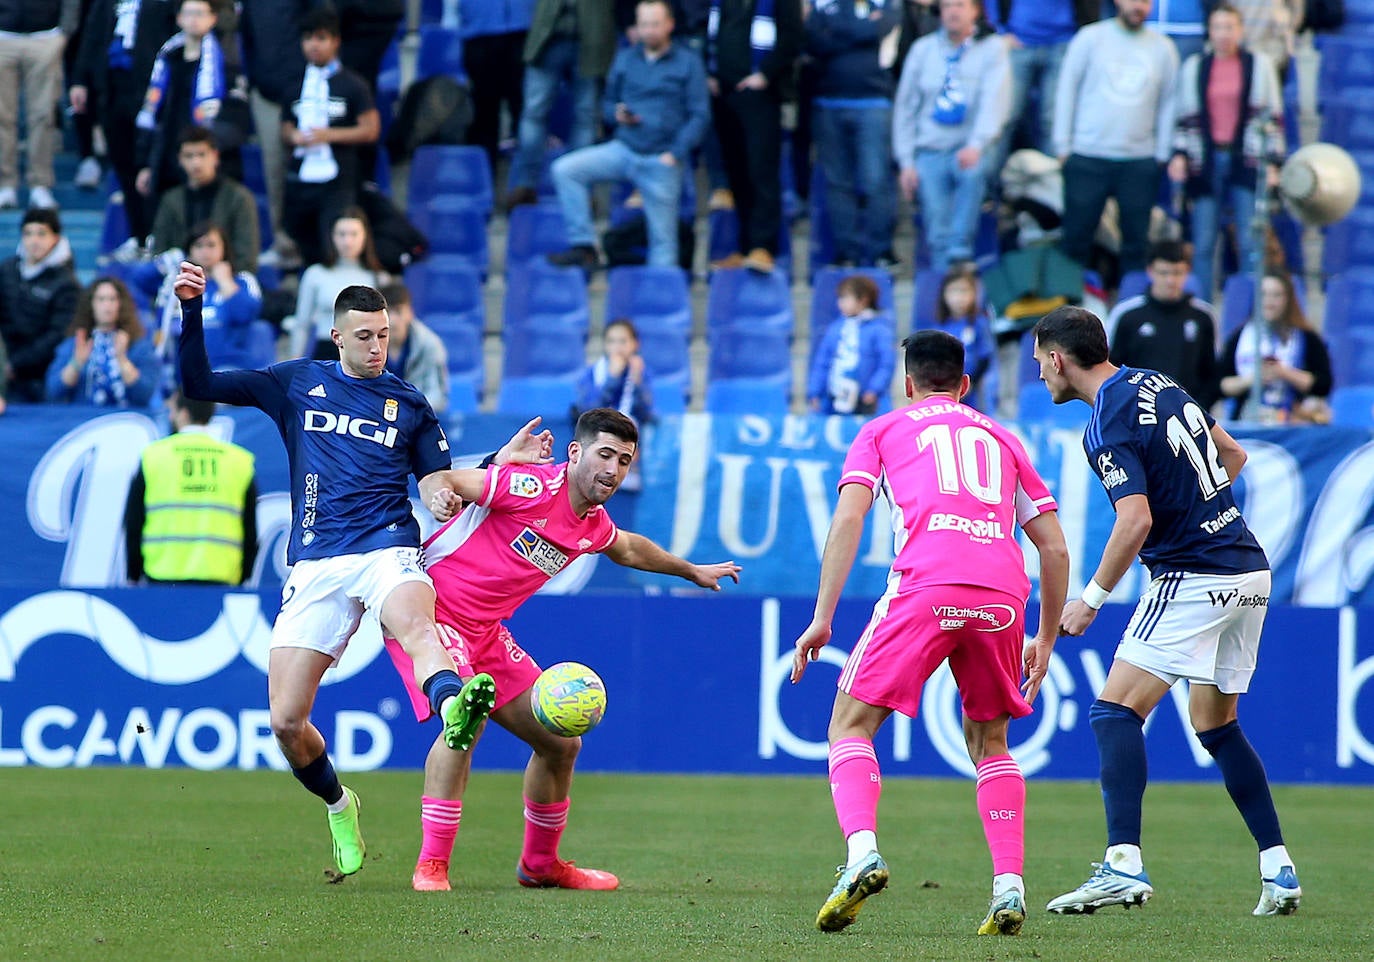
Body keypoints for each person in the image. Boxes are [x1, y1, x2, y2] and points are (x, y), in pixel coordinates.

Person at [172, 264, 522, 879]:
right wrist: (193, 310)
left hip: (388, 546)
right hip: (318, 562)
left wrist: (479, 474)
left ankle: (453, 705)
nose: (377, 346)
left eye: (384, 335)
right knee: (285, 720)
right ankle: (340, 804)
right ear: (337, 337)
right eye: (364, 336)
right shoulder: (294, 382)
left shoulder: (409, 403)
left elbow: (438, 480)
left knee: (417, 625)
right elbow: (198, 382)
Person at [385, 407, 741, 892]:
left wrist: (691, 570)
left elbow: (629, 549)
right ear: (575, 453)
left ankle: (540, 865)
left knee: (561, 743)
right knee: (464, 723)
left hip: (487, 633)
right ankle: (432, 865)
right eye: (605, 454)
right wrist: (444, 494)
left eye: (624, 460)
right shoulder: (529, 487)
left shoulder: (592, 523)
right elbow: (448, 479)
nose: (613, 470)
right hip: (432, 613)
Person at [792, 329, 1069, 935]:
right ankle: (1008, 887)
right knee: (991, 744)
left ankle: (861, 855)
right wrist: (1044, 637)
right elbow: (1053, 547)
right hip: (1002, 594)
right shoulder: (1004, 437)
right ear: (965, 386)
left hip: (927, 583)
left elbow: (850, 515)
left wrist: (822, 617)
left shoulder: (883, 430)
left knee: (850, 724)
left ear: (908, 384)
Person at [1030, 304, 1301, 917]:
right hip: (1247, 569)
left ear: (1058, 357)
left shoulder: (1104, 421)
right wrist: (1203, 515)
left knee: (1113, 711)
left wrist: (1090, 600)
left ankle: (1121, 863)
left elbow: (1136, 518)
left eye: (1039, 362)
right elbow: (1232, 455)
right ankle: (1277, 868)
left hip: (1194, 573)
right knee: (1215, 724)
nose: (1040, 376)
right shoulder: (1158, 382)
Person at [547, 0, 709, 273]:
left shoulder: (688, 63)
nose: (648, 31)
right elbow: (608, 104)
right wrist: (617, 114)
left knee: (664, 247)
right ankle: (584, 245)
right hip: (624, 148)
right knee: (565, 169)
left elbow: (700, 115)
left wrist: (675, 153)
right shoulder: (625, 59)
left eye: (655, 24)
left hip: (662, 158)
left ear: (669, 25)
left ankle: (657, 305)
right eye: (643, 24)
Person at [1167, 3, 1285, 301]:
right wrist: (1180, 154)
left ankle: (1247, 306)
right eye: (1218, 27)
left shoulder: (1259, 65)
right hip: (1205, 160)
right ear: (1210, 30)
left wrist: (1273, 162)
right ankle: (1205, 306)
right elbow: (1184, 115)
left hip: (1247, 159)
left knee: (1250, 240)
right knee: (1204, 241)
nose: (1223, 34)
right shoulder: (1195, 66)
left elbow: (1273, 115)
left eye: (1229, 27)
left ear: (1240, 30)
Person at [1053, 0, 1178, 278]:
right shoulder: (1090, 38)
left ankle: (1128, 308)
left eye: (1146, 2)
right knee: (1075, 240)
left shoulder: (1163, 48)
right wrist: (1063, 145)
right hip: (1087, 155)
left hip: (1138, 159)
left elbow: (1169, 102)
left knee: (1136, 244)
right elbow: (1066, 90)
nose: (1139, 7)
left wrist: (1161, 152)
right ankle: (1066, 313)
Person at [893, 0, 1011, 273]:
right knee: (936, 229)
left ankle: (961, 259)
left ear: (975, 11)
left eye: (960, 4)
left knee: (972, 171)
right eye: (946, 6)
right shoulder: (922, 50)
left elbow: (995, 103)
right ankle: (942, 283)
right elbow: (905, 108)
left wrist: (976, 144)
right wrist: (906, 161)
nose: (953, 11)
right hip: (929, 147)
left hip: (970, 148)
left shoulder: (992, 48)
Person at [705, 0, 804, 275]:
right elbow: (712, 32)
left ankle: (763, 247)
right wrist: (710, 72)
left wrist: (765, 74)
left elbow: (792, 36)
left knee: (761, 171)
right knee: (737, 173)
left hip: (762, 94)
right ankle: (745, 244)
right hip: (724, 93)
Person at [71, 0, 180, 249]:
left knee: (151, 166)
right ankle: (138, 237)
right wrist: (79, 79)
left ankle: (158, 237)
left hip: (153, 90)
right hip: (112, 90)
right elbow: (93, 33)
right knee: (123, 167)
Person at [124, 389, 258, 585]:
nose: (170, 416)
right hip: (220, 579)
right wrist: (244, 575)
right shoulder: (239, 461)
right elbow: (250, 528)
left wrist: (134, 574)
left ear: (184, 413)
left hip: (162, 578)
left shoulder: (153, 456)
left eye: (172, 411)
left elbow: (134, 521)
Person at [805, 0, 901, 269]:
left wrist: (836, 33)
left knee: (876, 180)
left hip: (873, 103)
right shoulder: (823, 3)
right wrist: (862, 31)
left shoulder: (887, 3)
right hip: (828, 102)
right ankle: (846, 253)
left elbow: (883, 29)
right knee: (838, 183)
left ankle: (882, 251)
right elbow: (812, 41)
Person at [281, 8, 379, 269]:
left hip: (339, 181)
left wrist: (329, 135)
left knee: (334, 246)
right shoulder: (294, 84)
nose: (314, 45)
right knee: (302, 243)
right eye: (309, 38)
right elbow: (285, 127)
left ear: (335, 41)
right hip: (301, 179)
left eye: (321, 38)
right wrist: (294, 135)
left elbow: (370, 129)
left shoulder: (352, 84)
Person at [135, 0, 251, 214]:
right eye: (189, 13)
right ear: (179, 18)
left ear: (213, 18)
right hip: (169, 160)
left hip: (212, 161)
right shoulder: (167, 59)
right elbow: (153, 115)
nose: (194, 19)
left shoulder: (227, 62)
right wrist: (146, 163)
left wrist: (206, 147)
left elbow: (237, 118)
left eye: (200, 13)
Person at [503, 0, 617, 210]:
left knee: (586, 116)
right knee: (534, 112)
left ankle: (579, 186)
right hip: (546, 34)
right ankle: (525, 186)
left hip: (592, 36)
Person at [1106, 239, 1220, 411]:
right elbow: (1112, 370)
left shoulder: (1203, 317)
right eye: (1163, 273)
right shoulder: (1126, 315)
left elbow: (1211, 373)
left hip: (1188, 416)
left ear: (1187, 272)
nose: (1170, 281)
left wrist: (1197, 410)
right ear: (1150, 272)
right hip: (1137, 416)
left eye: (1177, 273)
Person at [1219, 269, 1333, 424]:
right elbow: (1220, 384)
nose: (1269, 301)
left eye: (1276, 295)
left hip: (1293, 424)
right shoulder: (1239, 337)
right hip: (1248, 422)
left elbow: (1323, 384)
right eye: (1264, 294)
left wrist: (1284, 373)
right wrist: (1252, 379)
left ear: (1288, 299)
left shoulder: (1307, 338)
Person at [0, 0, 79, 210]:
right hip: (3, 34)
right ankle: (5, 184)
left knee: (43, 115)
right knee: (2, 116)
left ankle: (40, 184)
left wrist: (64, 31)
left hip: (46, 36)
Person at [154, 221, 264, 370]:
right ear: (189, 251)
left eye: (211, 245)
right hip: (185, 374)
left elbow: (245, 314)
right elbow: (140, 280)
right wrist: (166, 261)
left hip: (230, 370)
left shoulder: (243, 280)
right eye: (199, 246)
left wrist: (225, 282)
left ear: (224, 248)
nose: (205, 251)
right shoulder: (179, 286)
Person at [150, 126, 261, 274]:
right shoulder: (170, 200)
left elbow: (247, 257)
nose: (196, 163)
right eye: (189, 156)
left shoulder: (239, 198)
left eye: (202, 155)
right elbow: (160, 250)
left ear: (215, 156)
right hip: (179, 280)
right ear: (180, 159)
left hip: (226, 281)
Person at [0, 207, 80, 402]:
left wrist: (15, 365)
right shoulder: (7, 270)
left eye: (41, 233)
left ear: (56, 237)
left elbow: (57, 335)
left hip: (41, 378)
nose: (34, 240)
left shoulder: (67, 283)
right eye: (28, 233)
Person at [47, 275, 162, 406]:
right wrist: (76, 363)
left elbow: (145, 394)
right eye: (101, 299)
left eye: (112, 299)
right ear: (91, 304)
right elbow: (53, 391)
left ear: (121, 304)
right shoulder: (76, 344)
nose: (107, 305)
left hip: (126, 421)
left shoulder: (138, 346)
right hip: (85, 420)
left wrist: (122, 360)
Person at [290, 208, 387, 360]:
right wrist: (294, 359)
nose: (347, 241)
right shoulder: (316, 274)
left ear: (365, 236)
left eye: (354, 234)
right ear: (332, 237)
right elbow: (302, 323)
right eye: (341, 234)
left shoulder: (377, 277)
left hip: (364, 353)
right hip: (325, 350)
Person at [807, 273, 896, 416]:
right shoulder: (835, 329)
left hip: (866, 400)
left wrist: (874, 389)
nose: (840, 303)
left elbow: (886, 363)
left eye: (846, 298)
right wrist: (815, 391)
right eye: (840, 298)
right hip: (835, 398)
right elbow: (822, 362)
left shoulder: (879, 330)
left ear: (863, 300)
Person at [379, 281, 449, 415]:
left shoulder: (430, 345)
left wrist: (408, 413)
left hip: (418, 421)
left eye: (398, 312)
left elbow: (438, 395)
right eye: (387, 312)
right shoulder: (367, 345)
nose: (392, 320)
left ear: (410, 313)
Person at [933, 262, 995, 411]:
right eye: (953, 291)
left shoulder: (979, 323)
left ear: (974, 294)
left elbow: (985, 357)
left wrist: (971, 381)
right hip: (946, 390)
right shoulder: (940, 327)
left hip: (973, 388)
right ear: (944, 294)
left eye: (964, 291)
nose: (958, 297)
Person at [576, 318, 654, 423]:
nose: (617, 347)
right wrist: (612, 378)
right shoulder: (592, 373)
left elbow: (646, 415)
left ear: (635, 344)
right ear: (604, 345)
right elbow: (588, 414)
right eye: (611, 341)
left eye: (623, 341)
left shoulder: (642, 371)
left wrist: (637, 383)